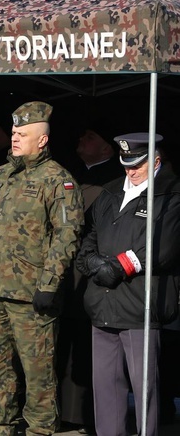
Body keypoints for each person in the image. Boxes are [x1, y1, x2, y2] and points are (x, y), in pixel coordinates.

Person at [0, 101, 84, 436]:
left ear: (42, 140)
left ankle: (40, 430)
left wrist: (49, 284)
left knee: (38, 375)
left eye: (22, 133)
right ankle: (1, 428)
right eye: (13, 132)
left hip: (32, 296)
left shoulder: (58, 180)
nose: (14, 138)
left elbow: (67, 234)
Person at [75, 133, 180, 436]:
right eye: (126, 164)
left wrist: (118, 267)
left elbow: (164, 248)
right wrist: (93, 263)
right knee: (106, 390)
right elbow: (88, 240)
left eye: (138, 164)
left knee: (144, 390)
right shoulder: (109, 193)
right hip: (103, 303)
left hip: (140, 305)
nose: (130, 171)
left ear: (156, 161)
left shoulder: (171, 194)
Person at [58, 125, 123, 433]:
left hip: (92, 272)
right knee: (66, 341)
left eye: (92, 137)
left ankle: (84, 414)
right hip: (65, 275)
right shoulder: (69, 174)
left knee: (88, 343)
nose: (81, 139)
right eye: (81, 135)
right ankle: (67, 411)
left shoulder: (113, 182)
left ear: (108, 149)